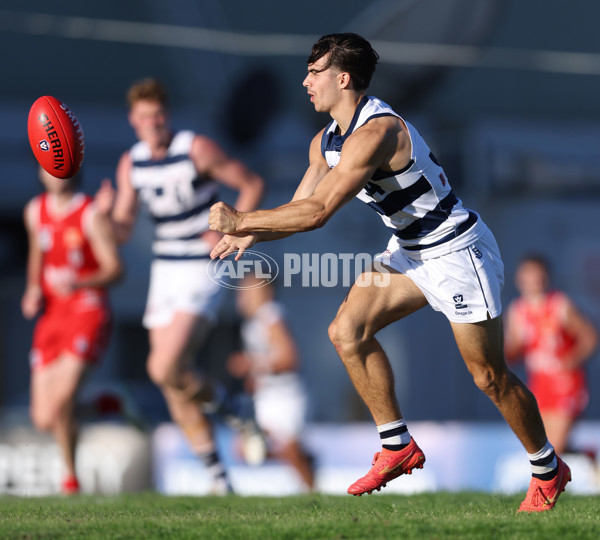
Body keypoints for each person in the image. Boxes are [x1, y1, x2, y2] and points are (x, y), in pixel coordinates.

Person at [208, 33, 571, 511]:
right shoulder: (325, 141)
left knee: (488, 377)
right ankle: (397, 445)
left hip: (457, 252)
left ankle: (547, 468)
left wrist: (242, 219)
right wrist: (251, 233)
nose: (305, 81)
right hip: (409, 251)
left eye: (314, 72)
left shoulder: (377, 132)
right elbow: (298, 208)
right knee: (346, 331)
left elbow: (319, 213)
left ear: (343, 78)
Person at [104, 78, 265, 494]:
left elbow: (251, 184)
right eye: (144, 117)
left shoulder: (196, 149)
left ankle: (233, 411)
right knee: (173, 378)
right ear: (133, 121)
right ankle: (220, 475)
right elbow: (121, 229)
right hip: (165, 269)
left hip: (203, 264)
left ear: (166, 115)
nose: (153, 123)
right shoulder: (131, 163)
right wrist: (102, 218)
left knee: (163, 367)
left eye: (158, 114)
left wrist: (232, 231)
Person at [21, 166, 123, 494]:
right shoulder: (34, 211)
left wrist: (79, 281)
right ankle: (108, 405)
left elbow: (115, 270)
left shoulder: (89, 212)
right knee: (43, 418)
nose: (54, 173)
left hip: (86, 310)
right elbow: (37, 255)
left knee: (62, 402)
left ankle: (70, 481)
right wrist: (32, 289)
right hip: (52, 317)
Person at [227, 277, 315, 491]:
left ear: (265, 291)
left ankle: (313, 492)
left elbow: (290, 358)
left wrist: (251, 364)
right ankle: (305, 460)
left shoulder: (270, 315)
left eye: (246, 291)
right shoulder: (252, 324)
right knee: (245, 450)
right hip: (266, 397)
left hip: (286, 396)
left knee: (290, 452)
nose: (242, 297)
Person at [505, 254, 598, 456]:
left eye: (536, 274)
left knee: (554, 446)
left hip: (565, 383)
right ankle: (588, 455)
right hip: (539, 383)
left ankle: (550, 485)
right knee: (546, 445)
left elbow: (589, 337)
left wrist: (572, 359)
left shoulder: (559, 305)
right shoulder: (518, 310)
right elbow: (515, 349)